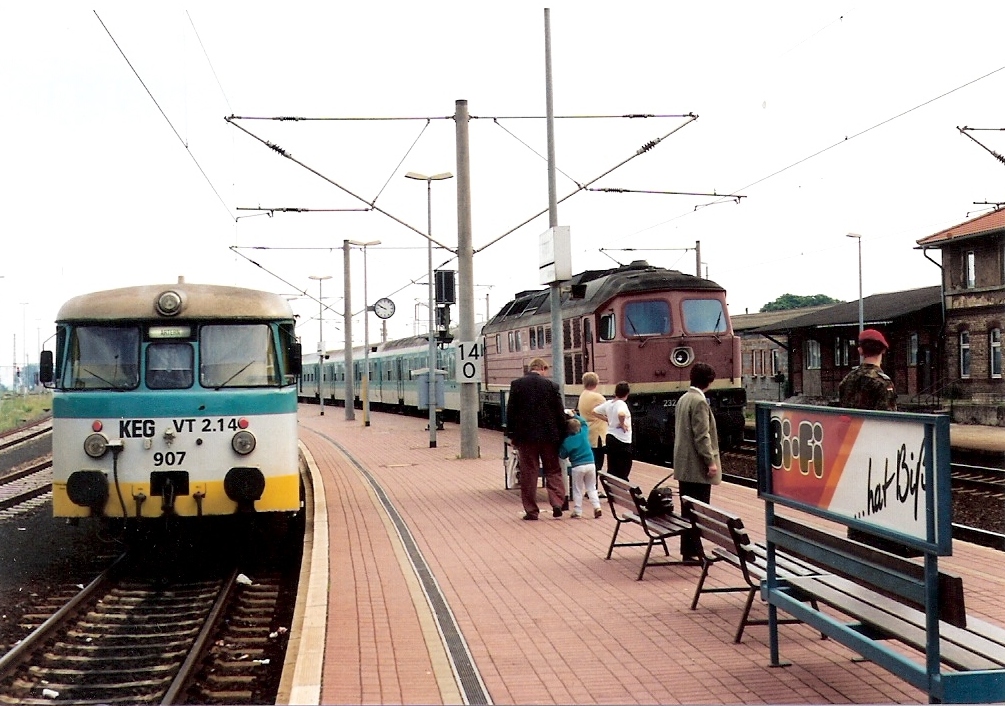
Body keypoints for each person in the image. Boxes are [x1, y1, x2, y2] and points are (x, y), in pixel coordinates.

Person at [506, 357, 568, 520]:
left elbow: (511, 412)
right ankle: (556, 503)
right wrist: (561, 435)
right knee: (553, 469)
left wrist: (511, 434)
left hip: (526, 438)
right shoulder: (551, 386)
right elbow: (559, 413)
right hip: (549, 437)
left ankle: (531, 510)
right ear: (542, 368)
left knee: (529, 472)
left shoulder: (517, 385)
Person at [673, 362, 721, 561]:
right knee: (699, 510)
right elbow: (702, 435)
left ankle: (689, 550)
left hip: (684, 465)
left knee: (687, 509)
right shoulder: (699, 402)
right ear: (709, 381)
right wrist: (710, 461)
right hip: (696, 467)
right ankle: (695, 551)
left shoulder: (684, 398)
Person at [838, 328, 897, 411]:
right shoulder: (883, 383)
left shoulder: (847, 379)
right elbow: (888, 419)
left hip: (851, 424)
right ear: (883, 350)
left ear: (860, 351)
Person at [559, 414, 603, 519]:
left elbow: (562, 455)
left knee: (577, 489)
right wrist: (574, 415)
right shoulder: (583, 433)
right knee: (591, 487)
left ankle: (578, 510)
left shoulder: (566, 441)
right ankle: (597, 506)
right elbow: (583, 422)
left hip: (577, 467)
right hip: (591, 464)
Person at [594, 381, 632, 480]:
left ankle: (612, 490)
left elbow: (594, 412)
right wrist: (622, 424)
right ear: (627, 394)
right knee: (624, 469)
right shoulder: (621, 404)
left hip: (610, 437)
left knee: (613, 467)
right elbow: (621, 414)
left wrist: (608, 420)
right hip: (622, 440)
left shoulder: (609, 403)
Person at [577, 372, 608, 474]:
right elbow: (609, 410)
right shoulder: (597, 397)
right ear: (597, 382)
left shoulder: (583, 395)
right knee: (598, 463)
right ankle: (593, 488)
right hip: (597, 434)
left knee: (592, 462)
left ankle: (592, 487)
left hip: (588, 432)